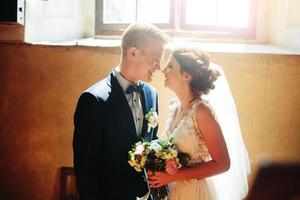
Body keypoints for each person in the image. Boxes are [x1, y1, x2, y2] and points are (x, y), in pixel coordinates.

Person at [72, 23, 169, 200]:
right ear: (133, 53)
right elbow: (86, 170)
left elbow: (149, 142)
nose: (159, 67)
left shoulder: (151, 94)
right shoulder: (93, 100)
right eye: (155, 59)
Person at [148, 47, 250, 200]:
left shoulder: (202, 112)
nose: (163, 70)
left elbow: (222, 164)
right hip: (173, 191)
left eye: (170, 66)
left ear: (186, 75)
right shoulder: (175, 106)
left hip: (194, 193)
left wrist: (173, 177)